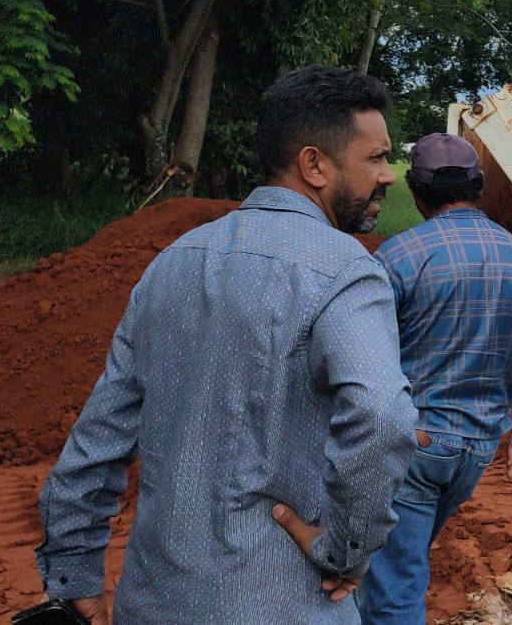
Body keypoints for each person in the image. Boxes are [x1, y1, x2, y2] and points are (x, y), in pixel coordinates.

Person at [32, 65, 417, 624]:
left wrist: (75, 573)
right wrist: (347, 550)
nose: (388, 177)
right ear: (314, 164)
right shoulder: (347, 272)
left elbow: (99, 435)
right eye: (377, 158)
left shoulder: (172, 263)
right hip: (285, 606)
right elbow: (382, 420)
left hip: (155, 602)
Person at [357, 133, 512, 623]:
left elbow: (362, 357)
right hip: (475, 449)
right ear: (478, 186)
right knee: (399, 560)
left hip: (412, 445)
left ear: (417, 190)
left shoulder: (397, 258)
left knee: (394, 581)